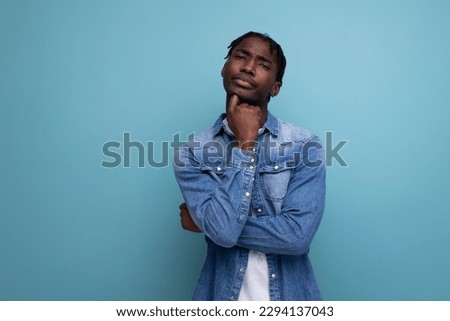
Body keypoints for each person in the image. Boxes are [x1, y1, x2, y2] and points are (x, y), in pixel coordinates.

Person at [173, 31, 326, 301]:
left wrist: (206, 223)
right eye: (240, 56)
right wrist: (246, 145)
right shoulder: (192, 153)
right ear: (224, 68)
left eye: (263, 64)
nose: (248, 67)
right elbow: (222, 230)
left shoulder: (304, 146)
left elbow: (297, 238)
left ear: (275, 87)